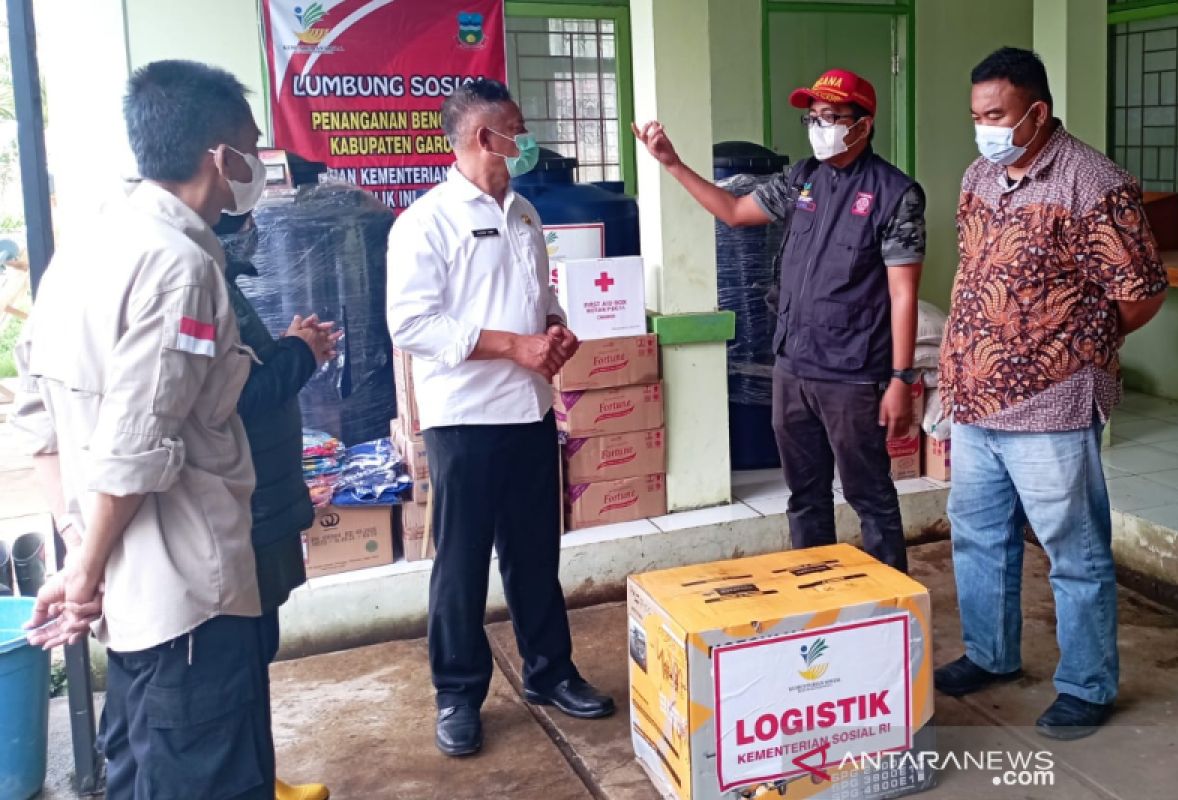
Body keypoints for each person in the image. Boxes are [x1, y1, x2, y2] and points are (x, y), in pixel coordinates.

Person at [13, 60, 276, 797]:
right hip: (187, 597)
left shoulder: (87, 247)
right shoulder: (180, 265)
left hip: (126, 599)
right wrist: (84, 575)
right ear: (217, 158)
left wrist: (79, 561)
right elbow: (135, 447)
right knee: (208, 773)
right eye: (250, 151)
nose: (254, 169)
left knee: (139, 768)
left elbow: (39, 419)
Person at [935, 47, 1167, 740]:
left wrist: (1071, 346)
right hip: (975, 397)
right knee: (978, 536)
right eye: (977, 115)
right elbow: (973, 274)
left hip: (1053, 402)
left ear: (1036, 112)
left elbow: (1141, 293)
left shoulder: (1092, 183)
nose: (984, 128)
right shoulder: (979, 173)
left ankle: (1087, 685)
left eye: (997, 115)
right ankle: (991, 654)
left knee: (1075, 550)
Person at [387, 78, 615, 758]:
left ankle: (550, 671)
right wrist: (514, 345)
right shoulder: (425, 222)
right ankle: (458, 694)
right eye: (517, 127)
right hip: (465, 420)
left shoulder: (522, 213)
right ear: (485, 138)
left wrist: (554, 327)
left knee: (535, 554)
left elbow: (537, 297)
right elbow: (411, 322)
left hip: (529, 412)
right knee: (460, 565)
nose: (527, 137)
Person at [634, 68, 925, 573]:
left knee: (869, 495)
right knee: (805, 495)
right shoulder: (801, 180)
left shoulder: (896, 194)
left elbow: (903, 294)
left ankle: (890, 612)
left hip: (852, 373)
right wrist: (673, 164)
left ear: (863, 124)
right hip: (792, 366)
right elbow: (733, 211)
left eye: (832, 117)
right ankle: (816, 598)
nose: (820, 127)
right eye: (813, 118)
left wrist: (901, 379)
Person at [215, 211, 339, 800]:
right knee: (242, 652)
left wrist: (289, 344)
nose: (250, 225)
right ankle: (252, 781)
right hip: (247, 503)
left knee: (256, 646)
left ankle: (260, 775)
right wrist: (299, 352)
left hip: (263, 496)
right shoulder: (198, 283)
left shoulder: (222, 281)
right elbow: (241, 398)